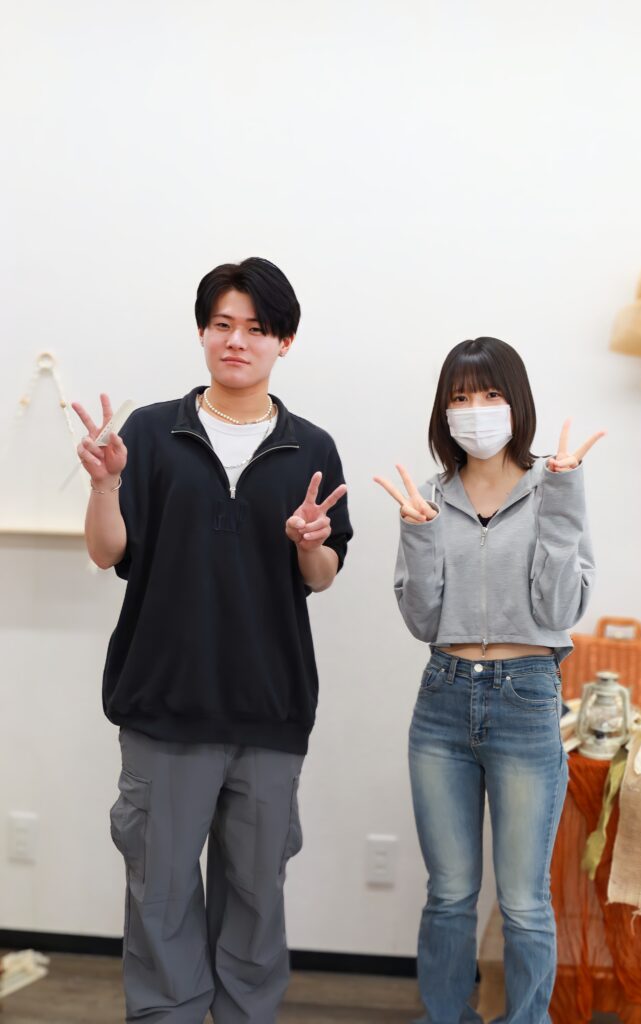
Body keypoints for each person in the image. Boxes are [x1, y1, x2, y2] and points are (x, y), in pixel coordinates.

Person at [73, 257, 352, 1024]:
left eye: (256, 329)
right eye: (223, 324)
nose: (237, 341)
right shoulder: (148, 434)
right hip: (164, 708)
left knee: (256, 904)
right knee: (160, 900)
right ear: (202, 332)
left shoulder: (311, 447)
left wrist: (309, 543)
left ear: (283, 342)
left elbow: (323, 574)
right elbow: (108, 551)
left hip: (269, 711)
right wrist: (104, 484)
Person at [374, 337, 604, 1024]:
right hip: (441, 699)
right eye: (460, 397)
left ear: (516, 402)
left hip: (525, 696)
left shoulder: (552, 486)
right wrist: (418, 534)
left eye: (490, 394)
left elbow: (558, 612)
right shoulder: (430, 497)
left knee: (523, 900)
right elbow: (422, 620)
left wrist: (562, 501)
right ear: (444, 412)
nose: (475, 409)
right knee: (448, 893)